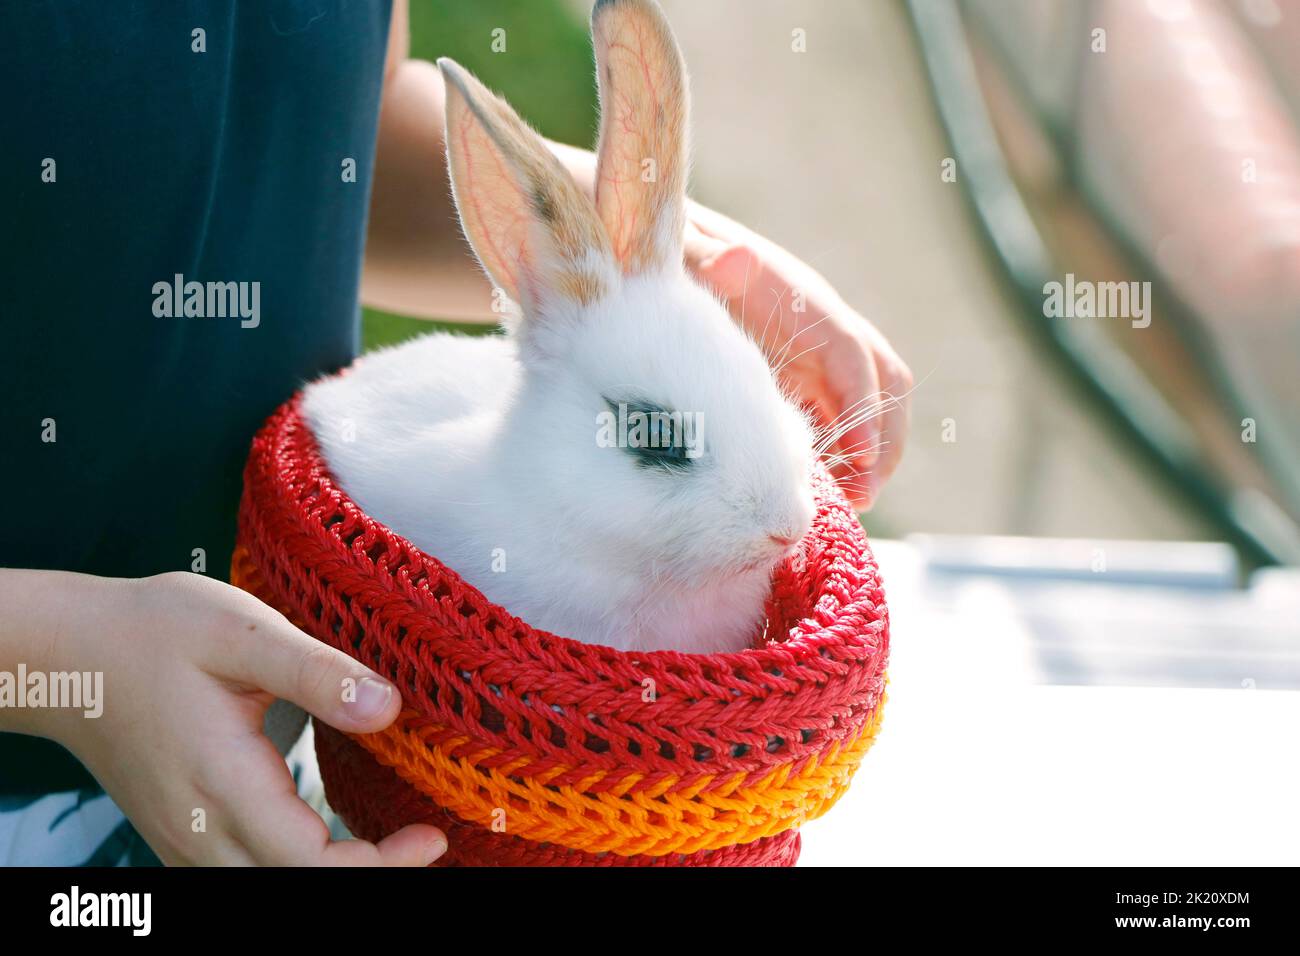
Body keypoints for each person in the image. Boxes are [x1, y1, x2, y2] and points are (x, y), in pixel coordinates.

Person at [0, 0, 911, 865]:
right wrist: (71, 657)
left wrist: (676, 264)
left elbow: (338, 122)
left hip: (272, 761)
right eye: (658, 442)